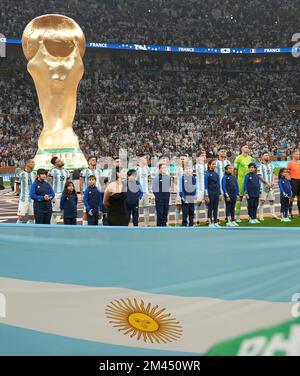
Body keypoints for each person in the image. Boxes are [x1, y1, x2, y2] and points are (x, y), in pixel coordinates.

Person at [234, 145, 255, 222]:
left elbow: (254, 168)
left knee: (249, 199)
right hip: (240, 181)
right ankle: (237, 216)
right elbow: (235, 170)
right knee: (239, 198)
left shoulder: (250, 158)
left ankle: (249, 216)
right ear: (241, 149)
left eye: (248, 147)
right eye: (245, 147)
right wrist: (235, 180)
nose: (247, 148)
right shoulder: (238, 158)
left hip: (250, 181)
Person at [80, 156, 103, 225]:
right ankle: (84, 228)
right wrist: (81, 194)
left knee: (99, 211)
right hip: (88, 193)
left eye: (95, 160)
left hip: (97, 192)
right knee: (85, 212)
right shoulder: (84, 171)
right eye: (93, 160)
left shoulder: (99, 171)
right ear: (89, 161)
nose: (94, 161)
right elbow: (81, 183)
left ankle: (99, 228)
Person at [48, 157, 70, 224]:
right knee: (54, 213)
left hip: (65, 194)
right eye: (59, 161)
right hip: (56, 194)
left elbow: (69, 183)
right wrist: (51, 195)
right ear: (55, 164)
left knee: (66, 212)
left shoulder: (66, 171)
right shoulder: (52, 171)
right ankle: (53, 229)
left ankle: (66, 228)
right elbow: (49, 184)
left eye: (60, 160)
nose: (61, 161)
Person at [257, 152, 278, 221]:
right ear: (262, 157)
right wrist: (266, 183)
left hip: (270, 186)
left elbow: (273, 174)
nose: (267, 156)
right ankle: (260, 216)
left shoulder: (271, 166)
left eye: (268, 155)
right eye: (265, 155)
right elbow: (260, 176)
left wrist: (273, 181)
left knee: (272, 200)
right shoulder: (260, 166)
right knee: (262, 201)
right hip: (263, 186)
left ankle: (273, 214)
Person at [16, 158, 36, 224]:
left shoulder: (35, 173)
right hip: (24, 198)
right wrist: (19, 195)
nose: (34, 164)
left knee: (32, 216)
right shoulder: (20, 174)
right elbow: (17, 185)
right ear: (27, 164)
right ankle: (17, 232)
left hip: (32, 198)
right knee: (21, 217)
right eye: (32, 162)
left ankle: (31, 232)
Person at [204, 159, 221, 228]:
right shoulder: (207, 174)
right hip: (210, 192)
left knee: (215, 207)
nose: (214, 165)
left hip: (216, 192)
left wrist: (220, 194)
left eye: (215, 164)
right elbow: (205, 186)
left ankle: (215, 222)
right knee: (210, 208)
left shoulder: (216, 174)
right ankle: (210, 222)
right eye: (213, 164)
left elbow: (218, 184)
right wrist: (206, 195)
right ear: (209, 165)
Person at [136, 155, 151, 227]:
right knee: (137, 209)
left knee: (147, 208)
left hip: (146, 192)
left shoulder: (147, 169)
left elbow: (149, 179)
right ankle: (137, 224)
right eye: (144, 158)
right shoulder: (136, 169)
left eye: (146, 158)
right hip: (138, 193)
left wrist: (150, 190)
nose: (146, 159)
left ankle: (146, 225)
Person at [174, 154, 188, 226]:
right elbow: (175, 180)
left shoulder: (189, 168)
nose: (182, 160)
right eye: (181, 159)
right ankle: (176, 223)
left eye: (184, 159)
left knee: (187, 206)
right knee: (178, 206)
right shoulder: (177, 169)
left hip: (187, 190)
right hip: (179, 190)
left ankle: (186, 221)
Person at [286, 150, 300, 217]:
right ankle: (290, 213)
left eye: (299, 154)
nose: (298, 155)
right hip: (293, 181)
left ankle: (299, 212)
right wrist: (289, 180)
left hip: (299, 181)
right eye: (297, 154)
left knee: (299, 197)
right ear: (293, 155)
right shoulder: (290, 163)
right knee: (292, 197)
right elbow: (287, 173)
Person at [195, 151, 207, 224]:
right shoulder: (196, 166)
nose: (204, 157)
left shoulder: (207, 166)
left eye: (205, 155)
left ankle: (207, 219)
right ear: (198, 157)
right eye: (202, 155)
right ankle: (197, 220)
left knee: (207, 202)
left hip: (206, 187)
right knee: (198, 203)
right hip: (199, 187)